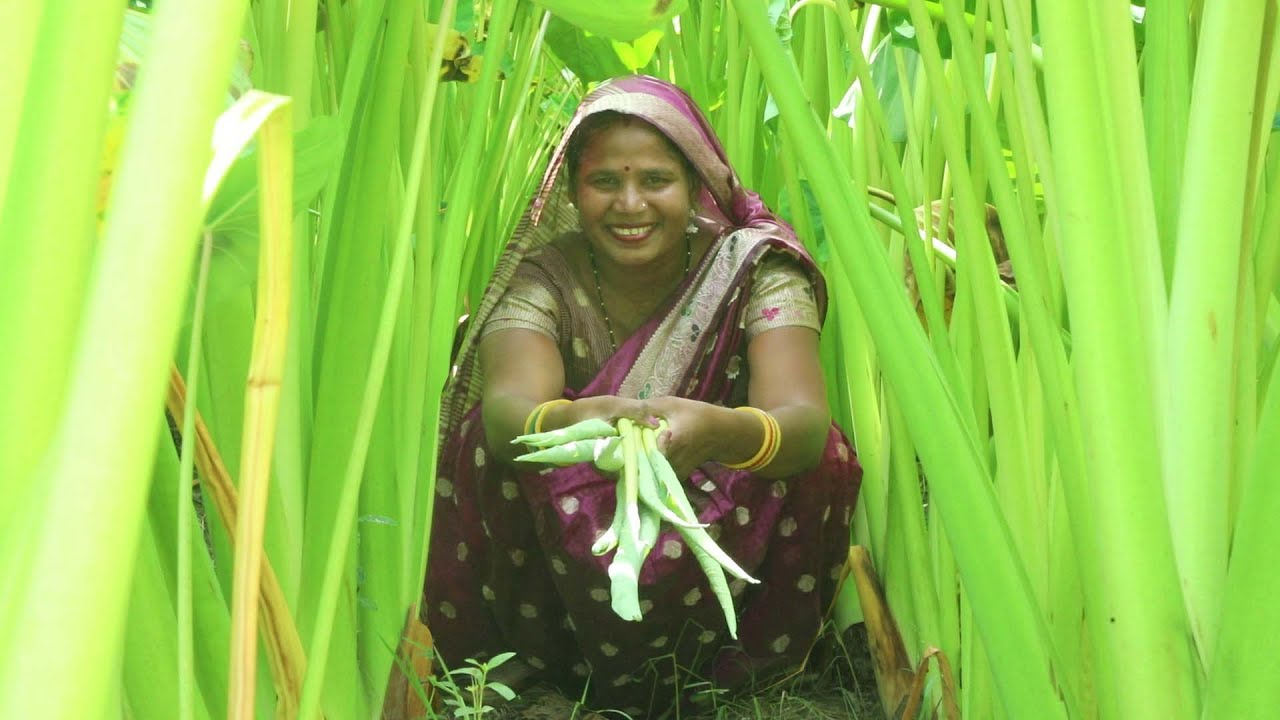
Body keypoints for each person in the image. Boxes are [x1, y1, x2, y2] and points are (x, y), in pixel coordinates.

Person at [421, 75, 861, 717]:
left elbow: (800, 419)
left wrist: (722, 431)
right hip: (575, 487)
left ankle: (739, 677)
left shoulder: (756, 268)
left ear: (696, 187)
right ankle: (540, 676)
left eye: (655, 180)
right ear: (573, 190)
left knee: (823, 457)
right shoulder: (544, 277)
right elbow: (508, 412)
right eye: (605, 182)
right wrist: (579, 422)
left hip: (719, 485)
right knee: (481, 450)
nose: (630, 204)